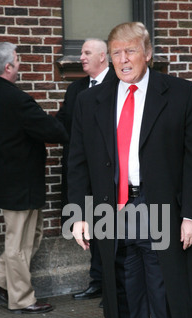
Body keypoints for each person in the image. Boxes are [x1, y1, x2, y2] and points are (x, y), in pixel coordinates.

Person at [67, 22, 192, 318]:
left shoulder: (180, 94)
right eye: (115, 53)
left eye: (130, 51)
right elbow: (76, 162)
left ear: (148, 53)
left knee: (168, 307)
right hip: (115, 215)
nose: (123, 60)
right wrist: (78, 214)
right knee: (127, 307)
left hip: (162, 211)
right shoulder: (90, 102)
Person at [0, 42, 69, 314]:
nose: (20, 64)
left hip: (0, 181)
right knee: (18, 242)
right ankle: (22, 299)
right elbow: (53, 131)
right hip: (21, 183)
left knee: (32, 236)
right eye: (17, 60)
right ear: (7, 67)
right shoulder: (16, 99)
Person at [57, 39, 115, 301]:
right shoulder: (76, 90)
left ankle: (115, 286)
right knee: (90, 228)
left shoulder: (119, 85)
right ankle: (98, 281)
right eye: (80, 52)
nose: (80, 57)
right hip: (84, 175)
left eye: (87, 52)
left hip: (110, 174)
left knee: (112, 231)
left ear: (103, 57)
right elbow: (61, 124)